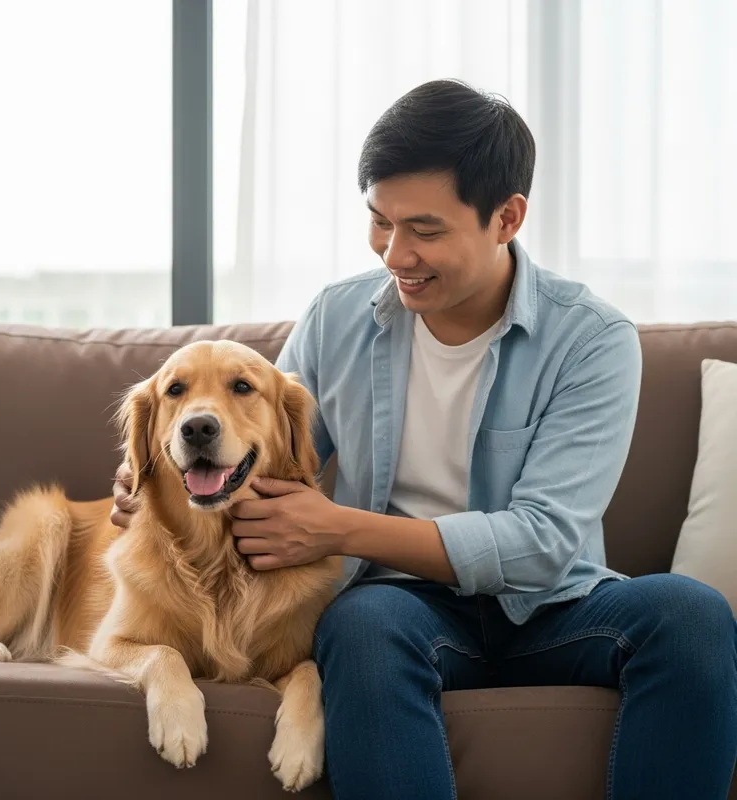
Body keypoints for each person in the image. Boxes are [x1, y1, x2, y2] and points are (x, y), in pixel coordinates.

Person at [111, 79, 737, 799]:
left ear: (507, 217)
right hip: (400, 605)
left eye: (425, 230)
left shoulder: (593, 341)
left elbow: (542, 541)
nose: (394, 253)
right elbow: (261, 450)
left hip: (556, 607)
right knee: (362, 623)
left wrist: (340, 529)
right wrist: (159, 480)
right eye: (381, 222)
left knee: (693, 614)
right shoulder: (336, 316)